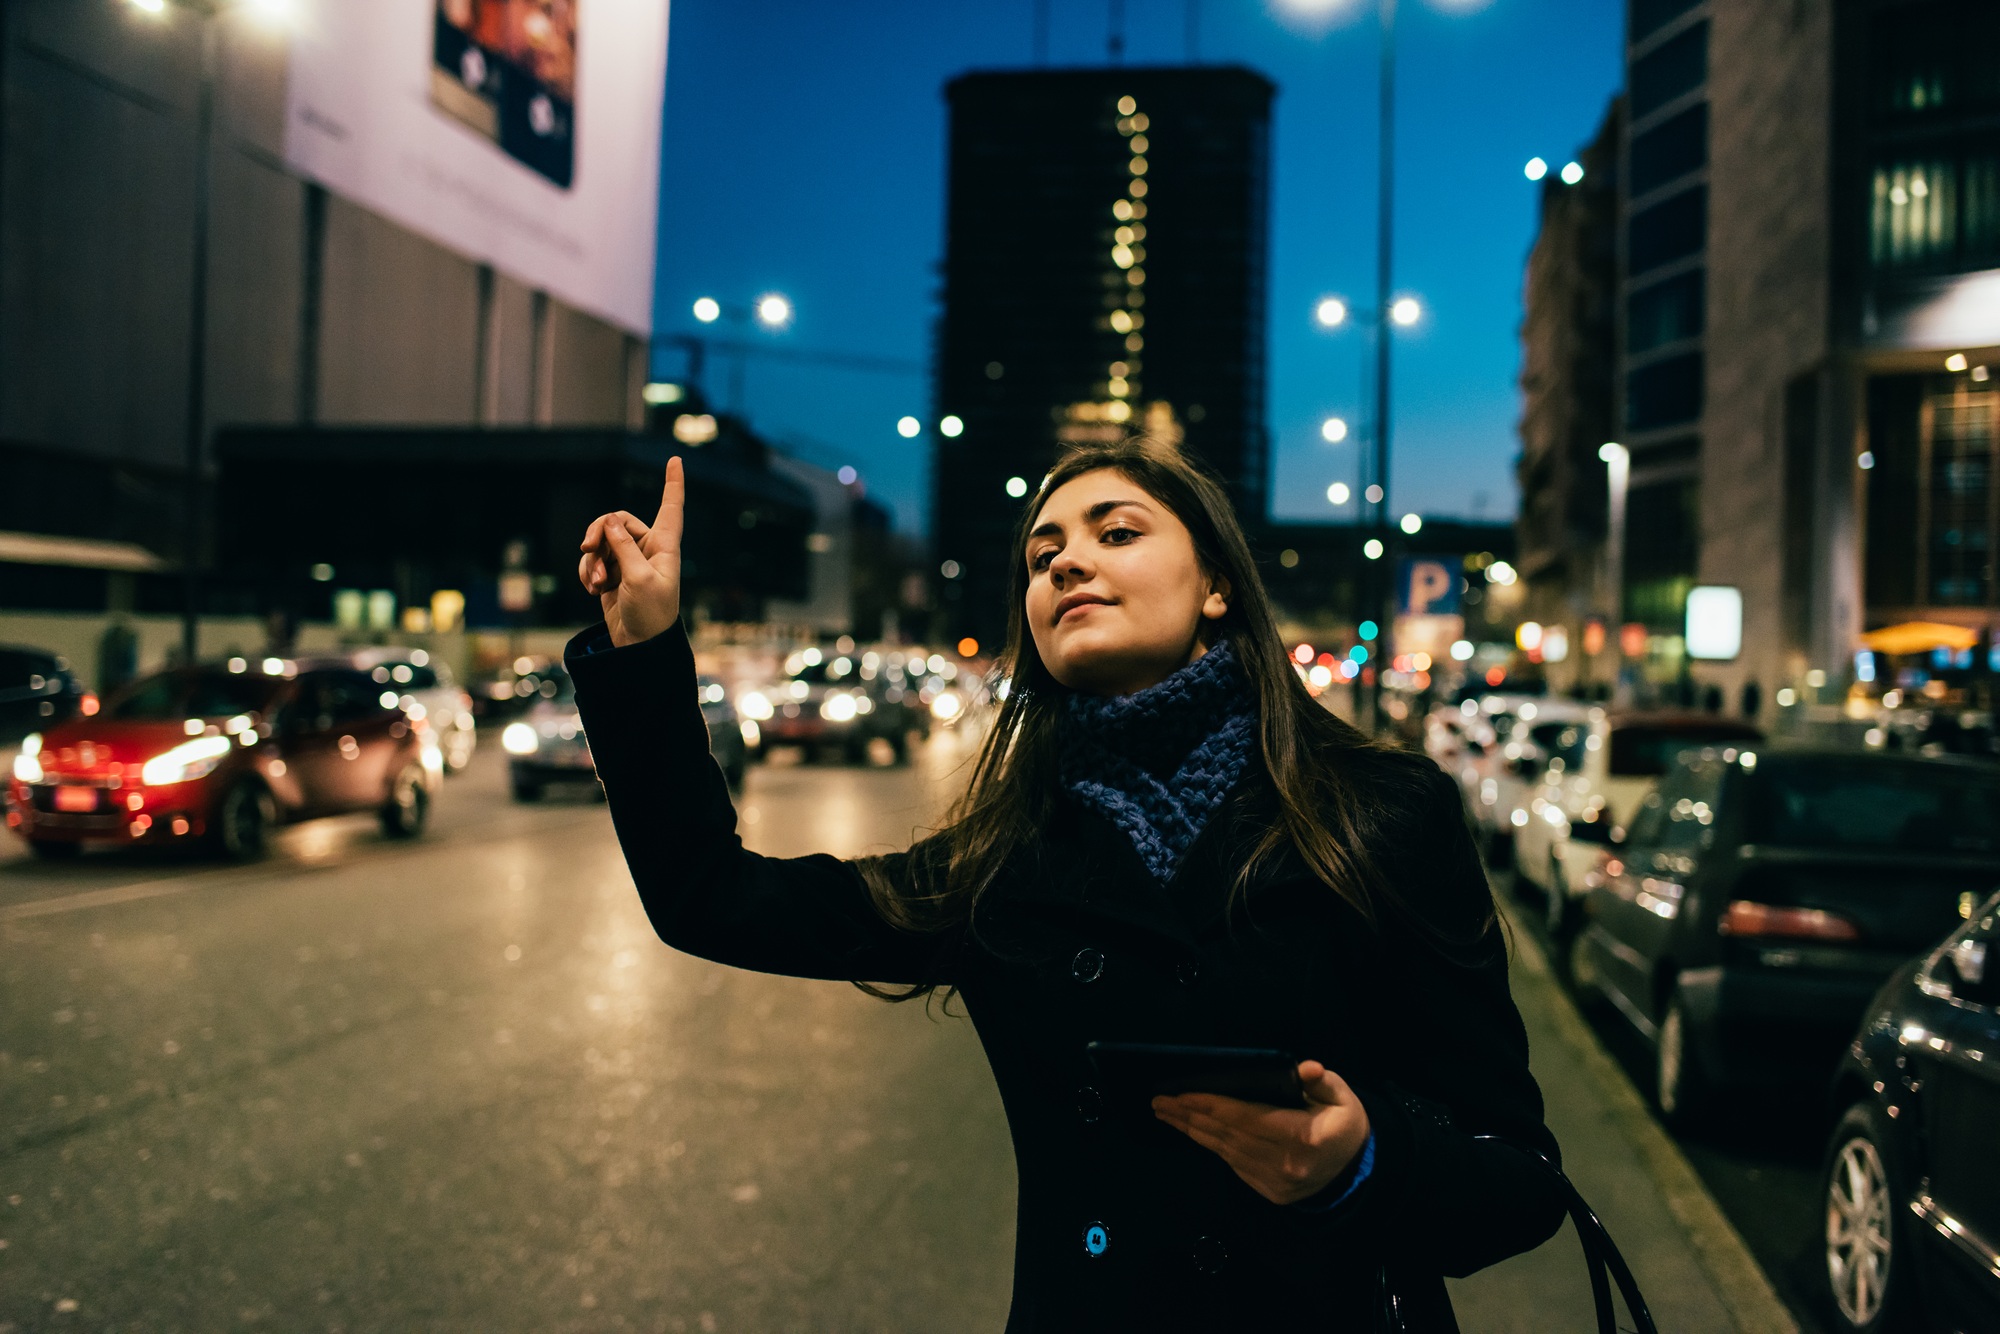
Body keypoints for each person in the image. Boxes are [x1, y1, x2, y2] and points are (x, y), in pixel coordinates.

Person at [567, 438, 1565, 1330]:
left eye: (1115, 530)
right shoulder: (1003, 858)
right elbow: (707, 894)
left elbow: (1518, 1175)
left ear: (1216, 583)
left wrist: (1360, 1160)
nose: (1064, 562)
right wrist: (643, 651)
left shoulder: (1377, 812)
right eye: (1041, 556)